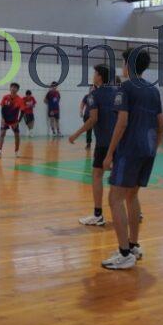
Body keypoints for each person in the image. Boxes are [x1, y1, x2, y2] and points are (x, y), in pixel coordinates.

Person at [100, 48, 163, 270]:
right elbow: (161, 125)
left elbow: (122, 122)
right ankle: (134, 246)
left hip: (129, 150)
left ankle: (124, 252)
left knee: (115, 198)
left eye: (123, 61)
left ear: (128, 64)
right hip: (147, 149)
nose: (122, 66)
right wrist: (153, 148)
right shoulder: (153, 91)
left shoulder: (125, 88)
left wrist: (109, 154)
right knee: (132, 196)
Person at [69, 64, 116, 226]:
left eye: (95, 73)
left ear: (100, 77)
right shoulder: (119, 93)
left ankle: (98, 214)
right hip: (119, 141)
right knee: (122, 177)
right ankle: (135, 211)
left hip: (103, 143)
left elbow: (93, 119)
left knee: (97, 176)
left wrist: (76, 133)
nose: (93, 76)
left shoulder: (93, 95)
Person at [0, 82, 25, 157]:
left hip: (14, 121)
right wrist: (2, 118)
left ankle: (17, 151)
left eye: (15, 87)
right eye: (12, 87)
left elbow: (22, 111)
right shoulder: (5, 97)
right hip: (5, 120)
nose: (13, 88)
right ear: (10, 88)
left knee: (17, 136)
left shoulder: (20, 100)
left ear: (17, 90)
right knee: (2, 134)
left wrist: (18, 122)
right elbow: (2, 108)